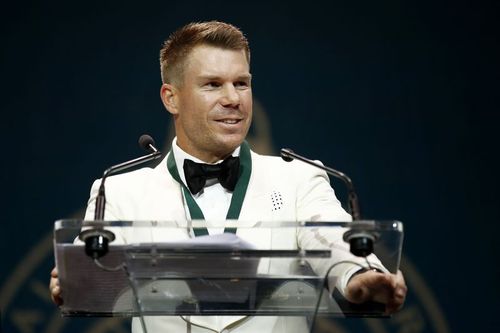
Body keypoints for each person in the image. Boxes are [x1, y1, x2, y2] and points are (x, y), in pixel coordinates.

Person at [50, 21, 407, 332]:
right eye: (213, 84)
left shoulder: (300, 179)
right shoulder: (119, 189)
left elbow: (333, 241)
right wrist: (76, 279)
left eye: (242, 83)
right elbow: (94, 273)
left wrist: (359, 277)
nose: (233, 98)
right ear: (171, 98)